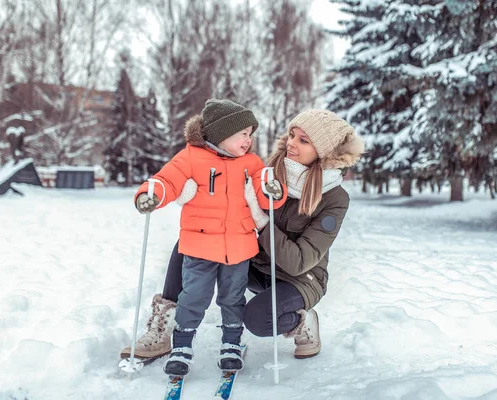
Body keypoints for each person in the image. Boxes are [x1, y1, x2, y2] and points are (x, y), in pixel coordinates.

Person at [121, 108, 363, 365]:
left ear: (323, 151)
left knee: (259, 319)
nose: (291, 143)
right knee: (194, 242)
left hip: (299, 278)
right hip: (255, 262)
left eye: (303, 140)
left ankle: (304, 322)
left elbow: (299, 261)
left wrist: (260, 220)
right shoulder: (269, 170)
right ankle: (164, 326)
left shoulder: (335, 199)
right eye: (292, 135)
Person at [129, 99, 287, 376]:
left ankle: (231, 343)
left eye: (250, 135)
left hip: (238, 247)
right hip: (199, 247)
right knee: (193, 297)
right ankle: (182, 345)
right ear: (222, 133)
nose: (248, 141)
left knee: (233, 298)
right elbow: (167, 180)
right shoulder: (191, 157)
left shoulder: (252, 163)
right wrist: (150, 194)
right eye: (243, 134)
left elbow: (265, 190)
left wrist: (274, 190)